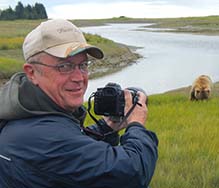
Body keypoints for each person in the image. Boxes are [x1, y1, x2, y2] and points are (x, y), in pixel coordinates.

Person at [0, 19, 158, 188]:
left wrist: (107, 128)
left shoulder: (23, 112)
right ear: (32, 72)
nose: (79, 78)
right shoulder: (43, 137)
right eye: (64, 66)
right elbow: (132, 174)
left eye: (83, 65)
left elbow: (71, 144)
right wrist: (136, 124)